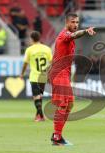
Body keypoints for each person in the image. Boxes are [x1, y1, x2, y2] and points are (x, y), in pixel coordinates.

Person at [48, 13, 96, 146]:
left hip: (64, 74)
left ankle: (57, 135)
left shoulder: (68, 39)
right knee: (63, 104)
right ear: (67, 22)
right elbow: (74, 35)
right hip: (59, 74)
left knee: (69, 104)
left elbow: (57, 54)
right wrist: (85, 31)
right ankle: (57, 137)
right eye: (73, 22)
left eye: (77, 23)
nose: (75, 25)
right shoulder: (65, 35)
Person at [20, 31, 52, 122]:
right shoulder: (47, 49)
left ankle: (41, 116)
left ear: (32, 39)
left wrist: (22, 74)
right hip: (43, 76)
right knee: (40, 96)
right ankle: (38, 115)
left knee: (36, 97)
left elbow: (25, 64)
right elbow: (52, 63)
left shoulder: (29, 49)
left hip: (34, 76)